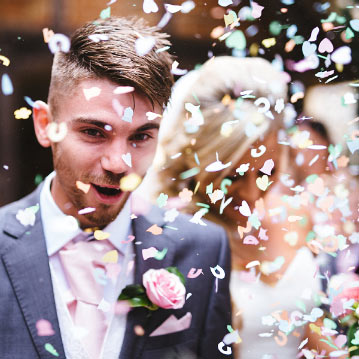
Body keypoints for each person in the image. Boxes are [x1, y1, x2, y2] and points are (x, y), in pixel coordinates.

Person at [0, 17, 232, 359]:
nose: (119, 163)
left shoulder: (203, 249)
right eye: (94, 132)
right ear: (45, 125)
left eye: (140, 136)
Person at [155, 56, 323, 358]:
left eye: (266, 172)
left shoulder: (295, 215)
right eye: (231, 176)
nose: (250, 195)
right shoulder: (176, 236)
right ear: (198, 163)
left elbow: (307, 327)